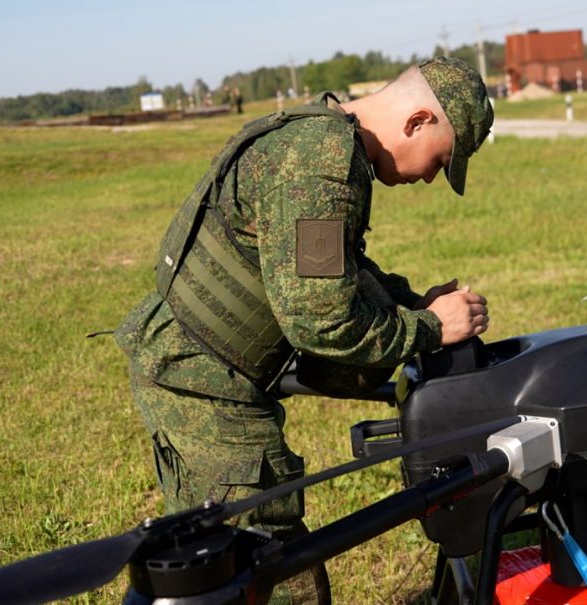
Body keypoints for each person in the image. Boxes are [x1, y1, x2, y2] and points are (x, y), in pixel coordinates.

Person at [114, 57, 493, 603]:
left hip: (198, 365)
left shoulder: (322, 135)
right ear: (418, 121)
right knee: (260, 567)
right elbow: (323, 321)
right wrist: (431, 329)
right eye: (441, 160)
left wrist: (412, 303)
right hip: (201, 383)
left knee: (220, 563)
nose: (431, 176)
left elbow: (335, 271)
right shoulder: (322, 162)